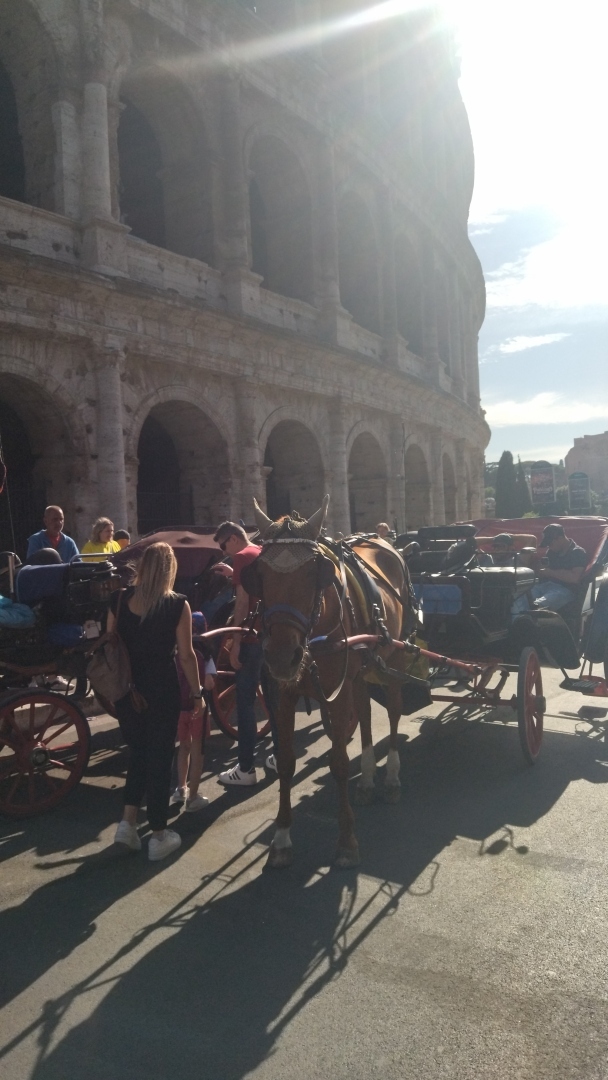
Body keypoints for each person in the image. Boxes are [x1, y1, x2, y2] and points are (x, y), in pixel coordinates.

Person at [108, 542, 205, 861]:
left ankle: (127, 824)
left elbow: (112, 645)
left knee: (138, 753)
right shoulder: (177, 604)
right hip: (161, 687)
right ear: (169, 569)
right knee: (160, 758)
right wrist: (197, 693)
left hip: (127, 689)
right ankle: (159, 834)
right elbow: (187, 656)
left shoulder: (118, 599)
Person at [212, 521, 277, 785]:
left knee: (246, 703)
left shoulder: (240, 557)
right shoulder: (260, 552)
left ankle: (246, 768)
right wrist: (233, 574)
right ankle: (280, 755)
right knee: (272, 699)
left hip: (250, 638)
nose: (224, 551)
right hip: (269, 636)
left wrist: (236, 640)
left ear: (233, 539)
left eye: (223, 546)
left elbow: (241, 602)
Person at [170, 612, 216, 811]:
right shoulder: (205, 655)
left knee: (183, 747)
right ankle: (193, 796)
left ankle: (181, 788)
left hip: (179, 708)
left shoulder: (176, 652)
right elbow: (210, 683)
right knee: (198, 751)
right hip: (198, 709)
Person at [513, 523, 588, 614]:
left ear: (560, 538)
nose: (549, 547)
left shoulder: (577, 553)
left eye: (550, 543)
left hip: (565, 589)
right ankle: (517, 620)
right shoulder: (551, 552)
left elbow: (574, 578)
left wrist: (550, 572)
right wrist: (539, 570)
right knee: (518, 599)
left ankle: (526, 619)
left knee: (538, 605)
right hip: (545, 585)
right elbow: (543, 571)